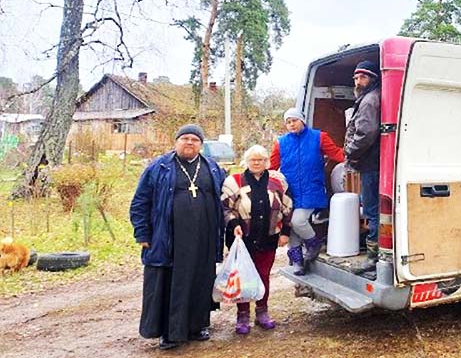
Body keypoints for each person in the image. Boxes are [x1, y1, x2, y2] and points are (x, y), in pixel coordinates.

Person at [129, 124, 225, 351]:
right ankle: (169, 333)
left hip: (204, 238)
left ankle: (197, 325)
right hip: (169, 238)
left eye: (194, 139)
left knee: (201, 282)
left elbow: (226, 201)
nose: (189, 143)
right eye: (185, 139)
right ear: (176, 142)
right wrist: (142, 232)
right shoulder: (159, 167)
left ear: (201, 144)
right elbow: (140, 202)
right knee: (170, 284)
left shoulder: (212, 168)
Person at [221, 144, 292, 335]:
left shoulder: (277, 182)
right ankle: (242, 315)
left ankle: (262, 312)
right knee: (243, 277)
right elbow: (226, 208)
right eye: (253, 159)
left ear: (266, 162)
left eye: (260, 160)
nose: (257, 163)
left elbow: (287, 207)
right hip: (242, 238)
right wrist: (234, 223)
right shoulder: (234, 181)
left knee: (263, 275)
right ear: (247, 161)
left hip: (268, 237)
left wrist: (285, 231)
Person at [269, 107, 344, 275]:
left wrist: (357, 157)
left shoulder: (319, 137)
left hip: (312, 190)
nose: (291, 124)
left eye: (294, 120)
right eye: (288, 122)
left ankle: (313, 243)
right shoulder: (281, 143)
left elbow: (337, 154)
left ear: (302, 120)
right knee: (290, 225)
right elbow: (271, 167)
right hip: (290, 192)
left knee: (298, 221)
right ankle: (297, 261)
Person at [344, 60, 381, 273]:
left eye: (363, 77)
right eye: (356, 78)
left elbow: (366, 133)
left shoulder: (368, 101)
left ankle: (373, 258)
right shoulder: (370, 97)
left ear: (372, 78)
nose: (358, 81)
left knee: (372, 210)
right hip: (372, 163)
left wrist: (350, 151)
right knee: (372, 209)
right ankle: (374, 255)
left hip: (370, 164)